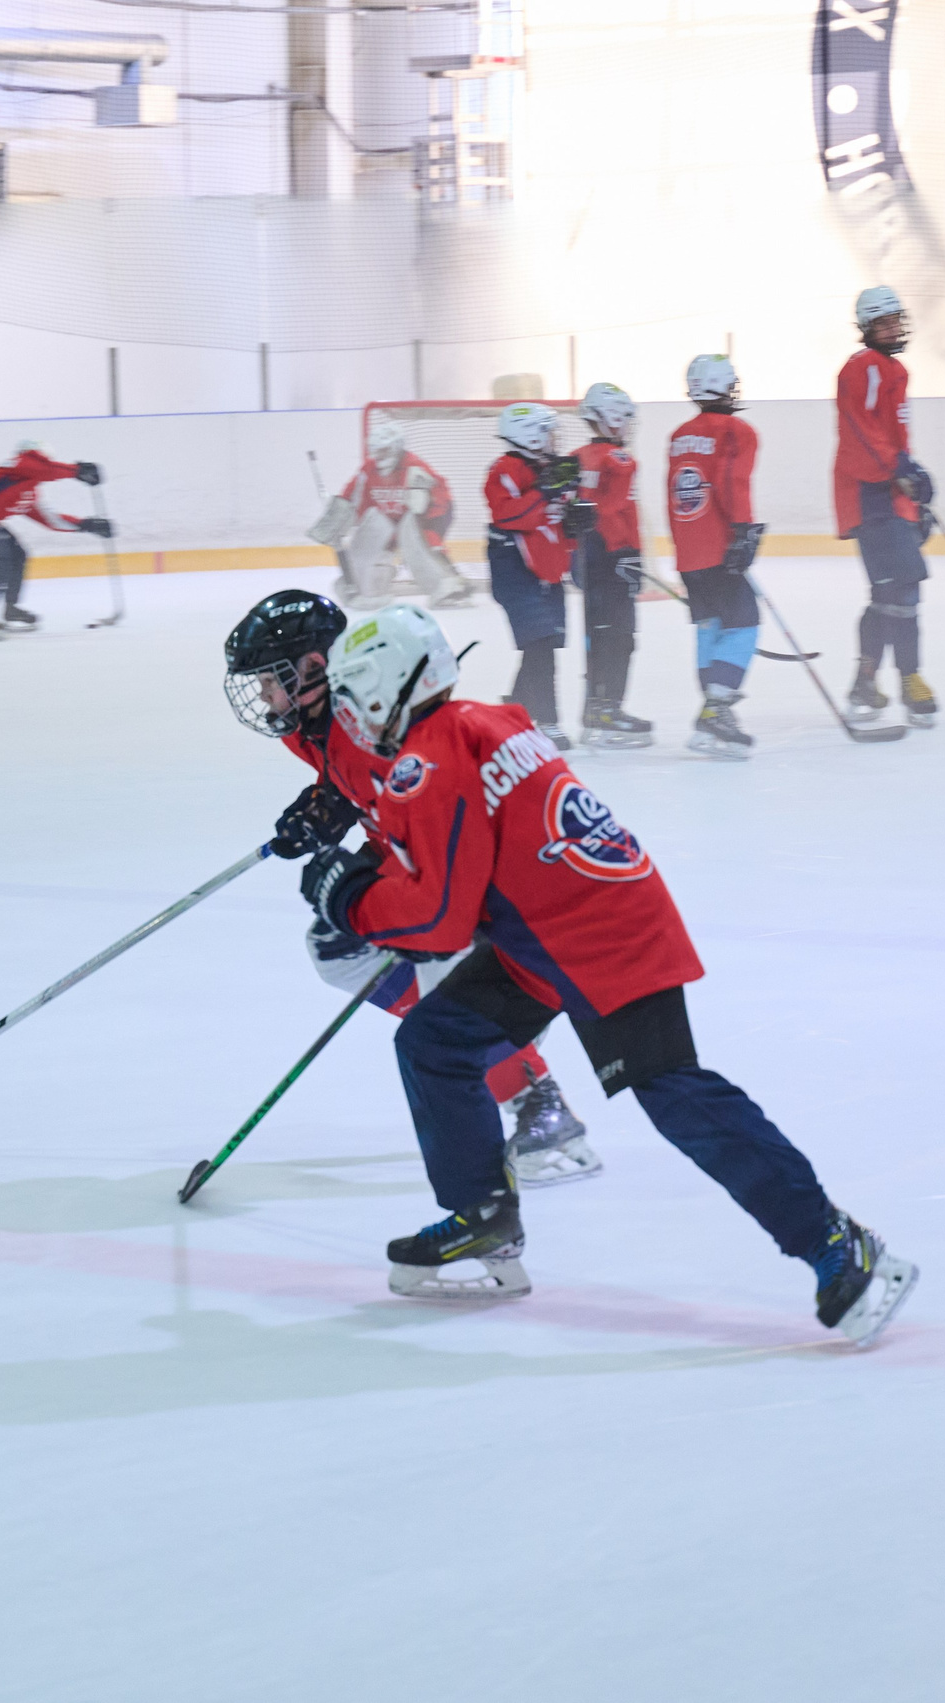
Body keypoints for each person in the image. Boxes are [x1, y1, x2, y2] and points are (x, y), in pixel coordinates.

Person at [285, 604, 916, 1346]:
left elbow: (438, 923)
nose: (352, 717)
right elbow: (460, 848)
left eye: (358, 696)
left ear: (392, 685)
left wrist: (349, 895)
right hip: (551, 932)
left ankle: (839, 1243)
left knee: (675, 1093)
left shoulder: (431, 756)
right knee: (436, 1041)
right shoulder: (479, 722)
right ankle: (483, 1218)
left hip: (601, 937)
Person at [221, 588, 601, 1185]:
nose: (265, 697)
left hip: (510, 892)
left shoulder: (376, 722)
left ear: (316, 669)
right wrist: (329, 803)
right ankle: (481, 1042)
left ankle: (538, 1103)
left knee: (433, 955)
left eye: (271, 679)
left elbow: (438, 815)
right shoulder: (310, 727)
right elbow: (374, 794)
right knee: (337, 945)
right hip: (437, 860)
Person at [834, 286, 938, 729]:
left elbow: (891, 438)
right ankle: (911, 679)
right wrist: (898, 466)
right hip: (869, 492)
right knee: (903, 588)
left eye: (897, 319)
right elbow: (861, 429)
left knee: (889, 593)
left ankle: (864, 680)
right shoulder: (863, 368)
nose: (894, 327)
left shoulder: (895, 370)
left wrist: (913, 481)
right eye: (885, 322)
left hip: (890, 492)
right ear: (868, 327)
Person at [667, 354, 765, 759]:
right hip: (719, 545)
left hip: (689, 551)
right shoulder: (736, 429)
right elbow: (732, 481)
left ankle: (711, 714)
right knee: (744, 623)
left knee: (709, 627)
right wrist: (742, 529)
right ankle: (717, 710)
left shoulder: (678, 435)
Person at [483, 402, 582, 748]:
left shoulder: (553, 468)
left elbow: (558, 521)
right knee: (540, 644)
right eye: (547, 430)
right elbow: (509, 516)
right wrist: (545, 491)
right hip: (515, 572)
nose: (553, 438)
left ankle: (510, 715)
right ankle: (548, 722)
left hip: (547, 572)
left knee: (542, 644)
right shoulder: (504, 470)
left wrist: (578, 521)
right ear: (529, 435)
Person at [0, 442, 111, 640]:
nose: (46, 463)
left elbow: (50, 519)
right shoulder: (19, 464)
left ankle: (11, 607)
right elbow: (47, 470)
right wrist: (77, 471)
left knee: (17, 554)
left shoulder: (27, 488)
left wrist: (87, 525)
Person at [569, 383, 654, 748]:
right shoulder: (620, 460)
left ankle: (596, 708)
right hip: (613, 558)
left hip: (586, 559)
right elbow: (611, 510)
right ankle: (608, 712)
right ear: (611, 418)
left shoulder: (574, 458)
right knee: (619, 637)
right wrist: (628, 557)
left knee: (598, 634)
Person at [308, 421, 471, 611]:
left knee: (417, 541)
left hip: (429, 515)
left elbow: (437, 500)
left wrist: (424, 518)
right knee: (369, 539)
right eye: (376, 451)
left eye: (383, 450)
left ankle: (449, 586)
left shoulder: (413, 467)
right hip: (392, 518)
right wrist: (338, 518)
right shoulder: (368, 469)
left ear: (396, 447)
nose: (379, 456)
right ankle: (367, 589)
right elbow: (353, 496)